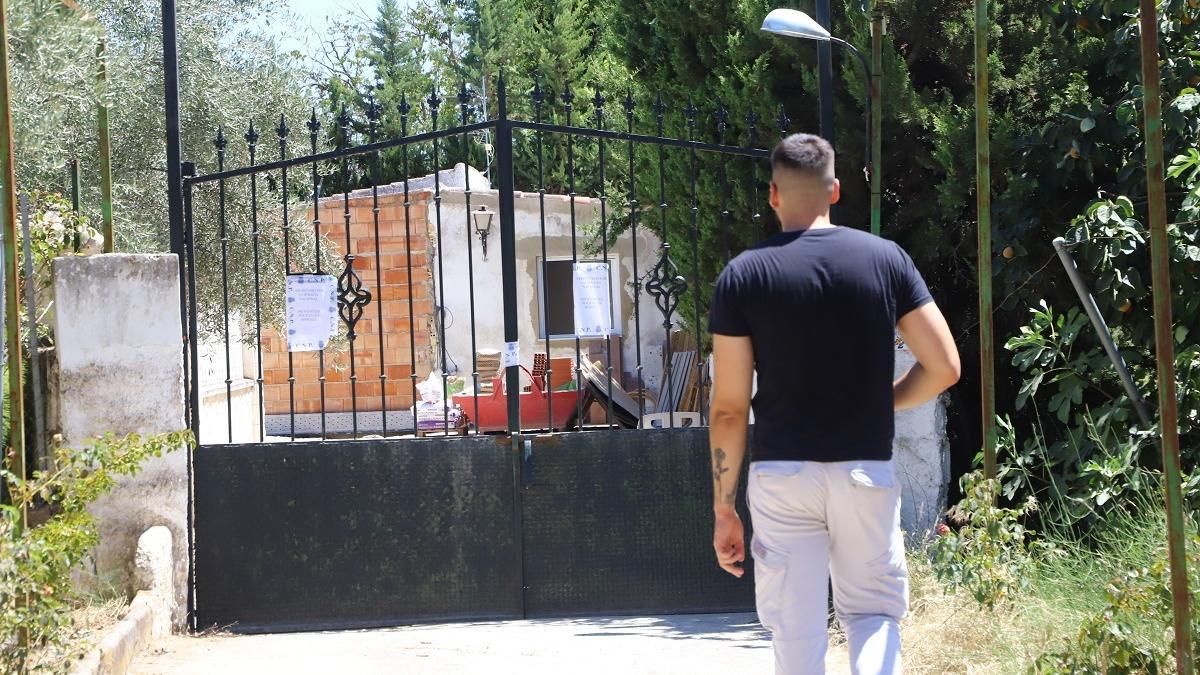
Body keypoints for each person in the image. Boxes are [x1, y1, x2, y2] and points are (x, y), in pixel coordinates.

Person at [706, 133, 960, 675]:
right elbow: (944, 367)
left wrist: (724, 509)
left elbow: (729, 409)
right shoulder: (885, 260)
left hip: (782, 476)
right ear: (836, 191)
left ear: (774, 195)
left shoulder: (742, 277)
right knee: (873, 615)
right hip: (865, 469)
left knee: (795, 635)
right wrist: (885, 403)